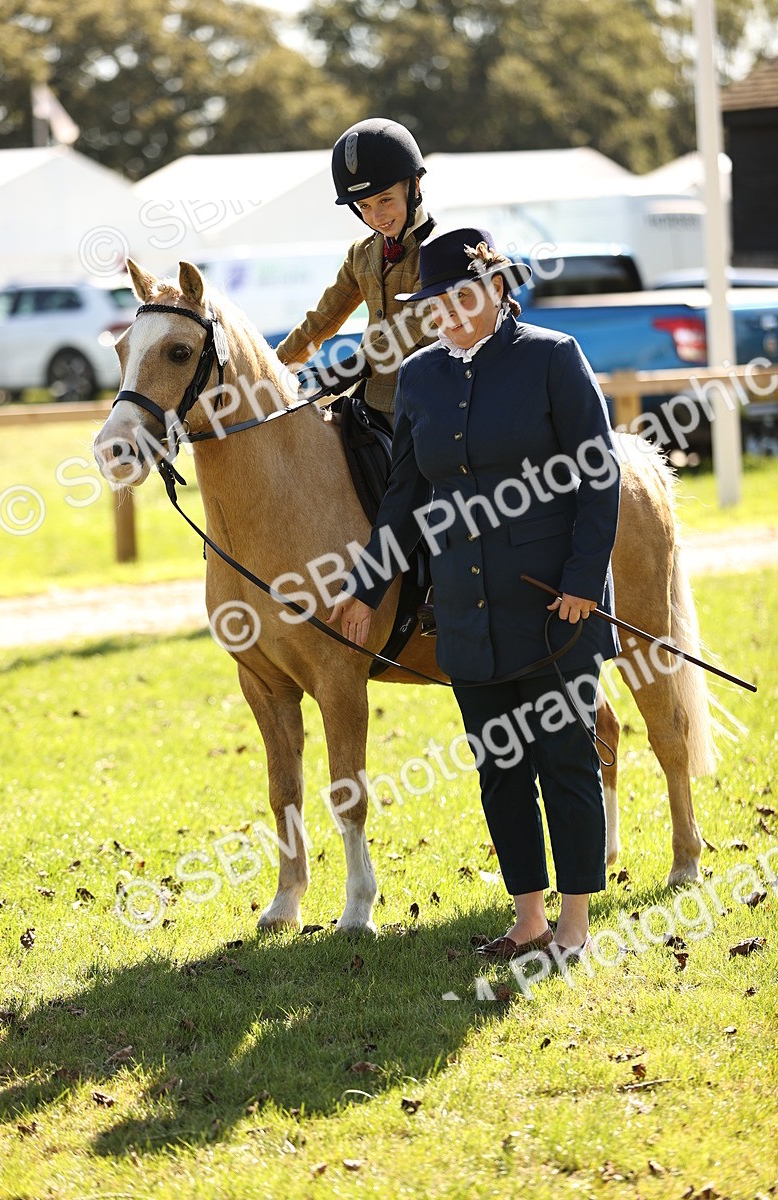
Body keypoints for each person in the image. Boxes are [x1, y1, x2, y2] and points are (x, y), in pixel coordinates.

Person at [328, 227, 621, 964]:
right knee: (499, 769)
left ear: (496, 287)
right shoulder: (420, 376)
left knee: (565, 760)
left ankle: (575, 925)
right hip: (466, 607)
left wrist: (584, 583)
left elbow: (599, 474)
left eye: (462, 298)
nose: (449, 315)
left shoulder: (553, 357)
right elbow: (402, 498)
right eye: (435, 305)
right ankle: (528, 920)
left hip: (555, 605)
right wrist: (366, 589)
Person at [275, 117, 436, 426]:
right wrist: (272, 366)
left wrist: (350, 367)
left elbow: (412, 326)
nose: (377, 216)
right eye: (364, 206)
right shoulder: (362, 253)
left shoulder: (439, 250)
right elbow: (322, 320)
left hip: (424, 401)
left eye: (385, 199)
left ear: (414, 187)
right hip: (368, 398)